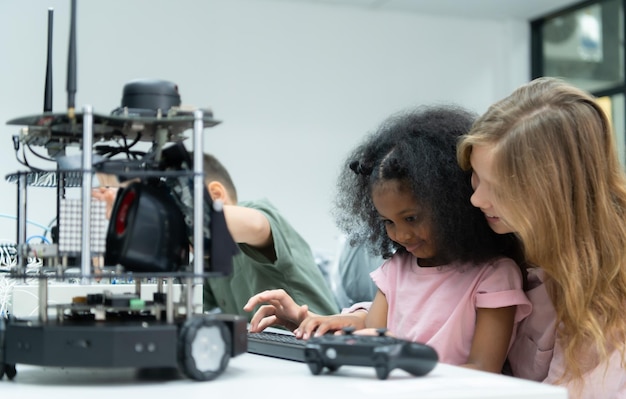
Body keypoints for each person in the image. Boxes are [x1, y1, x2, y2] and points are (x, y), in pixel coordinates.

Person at [245, 105, 531, 373]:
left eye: (411, 218)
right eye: (388, 222)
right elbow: (372, 329)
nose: (400, 235)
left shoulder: (495, 275)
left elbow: (484, 370)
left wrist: (402, 358)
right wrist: (309, 321)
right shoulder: (397, 268)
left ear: (451, 206)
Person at [457, 76, 626, 399]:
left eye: (499, 189)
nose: (476, 199)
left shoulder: (608, 292)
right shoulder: (504, 233)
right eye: (475, 177)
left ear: (554, 194)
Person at [92, 154, 339, 321]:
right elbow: (179, 305)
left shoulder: (259, 215)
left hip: (315, 343)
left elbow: (252, 224)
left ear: (216, 195)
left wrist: (140, 208)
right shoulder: (208, 257)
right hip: (267, 355)